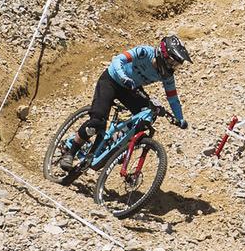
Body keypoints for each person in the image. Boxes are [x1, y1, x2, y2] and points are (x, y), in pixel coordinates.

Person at [60, 35, 191, 167]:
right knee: (97, 121)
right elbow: (118, 60)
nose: (173, 67)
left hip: (130, 88)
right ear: (163, 54)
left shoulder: (167, 76)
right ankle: (70, 152)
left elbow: (173, 98)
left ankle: (117, 142)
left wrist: (180, 119)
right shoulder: (144, 52)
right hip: (112, 80)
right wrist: (123, 76)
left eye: (177, 65)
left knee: (148, 115)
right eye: (172, 63)